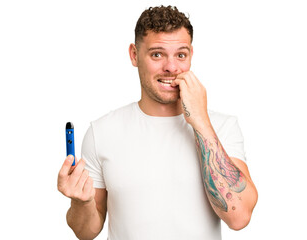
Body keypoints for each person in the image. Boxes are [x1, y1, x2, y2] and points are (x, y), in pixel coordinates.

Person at [58, 5, 258, 240]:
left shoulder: (222, 127)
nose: (171, 67)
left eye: (180, 55)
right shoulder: (101, 132)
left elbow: (239, 217)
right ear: (134, 55)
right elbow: (86, 231)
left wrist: (200, 121)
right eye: (157, 54)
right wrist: (81, 202)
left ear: (191, 55)